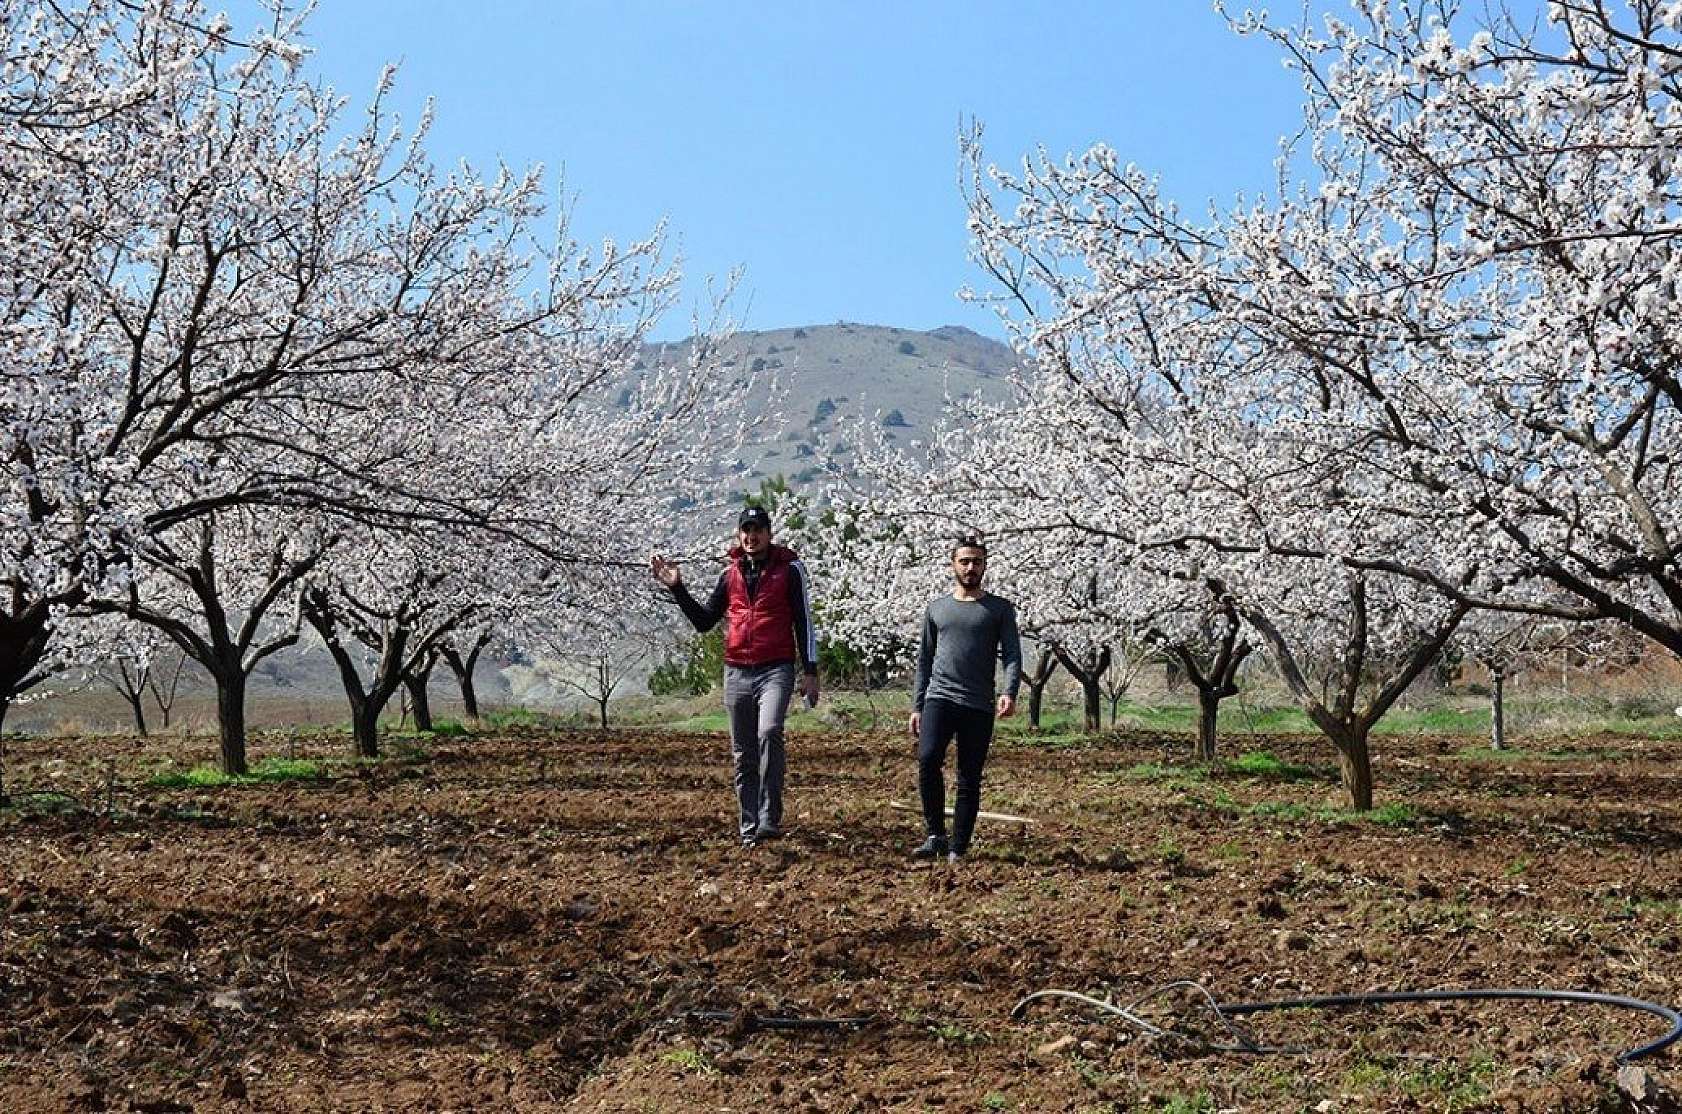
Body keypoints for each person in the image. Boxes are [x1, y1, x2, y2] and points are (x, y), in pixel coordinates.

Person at [651, 506, 820, 847]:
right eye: (745, 530)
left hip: (776, 667)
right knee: (743, 754)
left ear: (769, 533)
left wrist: (811, 670)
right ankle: (749, 828)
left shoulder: (790, 570)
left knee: (769, 730)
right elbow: (704, 622)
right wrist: (678, 589)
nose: (751, 536)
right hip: (737, 670)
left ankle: (769, 816)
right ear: (738, 535)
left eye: (757, 529)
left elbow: (803, 621)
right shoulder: (730, 575)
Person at [908, 537, 1022, 863]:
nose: (970, 567)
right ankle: (935, 835)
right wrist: (917, 705)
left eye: (976, 561)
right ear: (953, 565)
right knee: (928, 758)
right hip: (938, 697)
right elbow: (924, 660)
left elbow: (1012, 654)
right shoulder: (937, 609)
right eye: (964, 561)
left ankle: (959, 847)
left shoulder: (998, 609)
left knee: (969, 775)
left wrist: (1009, 691)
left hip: (978, 703)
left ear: (985, 565)